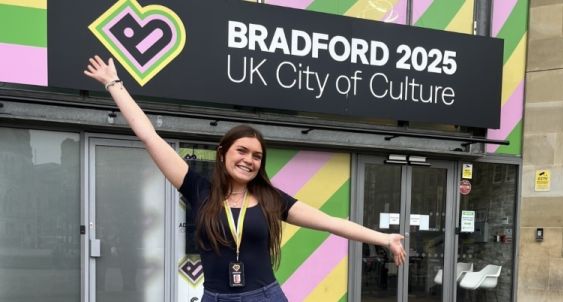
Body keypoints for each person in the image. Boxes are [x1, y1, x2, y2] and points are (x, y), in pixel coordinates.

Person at [84, 55, 406, 301]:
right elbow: (150, 137)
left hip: (264, 296)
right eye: (242, 151)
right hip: (216, 297)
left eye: (257, 156)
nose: (249, 160)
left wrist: (384, 239)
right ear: (223, 152)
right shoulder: (199, 190)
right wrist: (115, 84)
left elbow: (332, 222)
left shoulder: (270, 199)